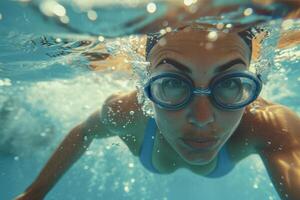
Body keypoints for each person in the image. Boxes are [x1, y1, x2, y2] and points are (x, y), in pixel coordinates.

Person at [16, 2, 300, 200]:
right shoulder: (126, 111)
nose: (202, 117)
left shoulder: (269, 125)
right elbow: (83, 131)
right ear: (144, 86)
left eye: (231, 84)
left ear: (253, 87)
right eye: (173, 84)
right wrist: (36, 191)